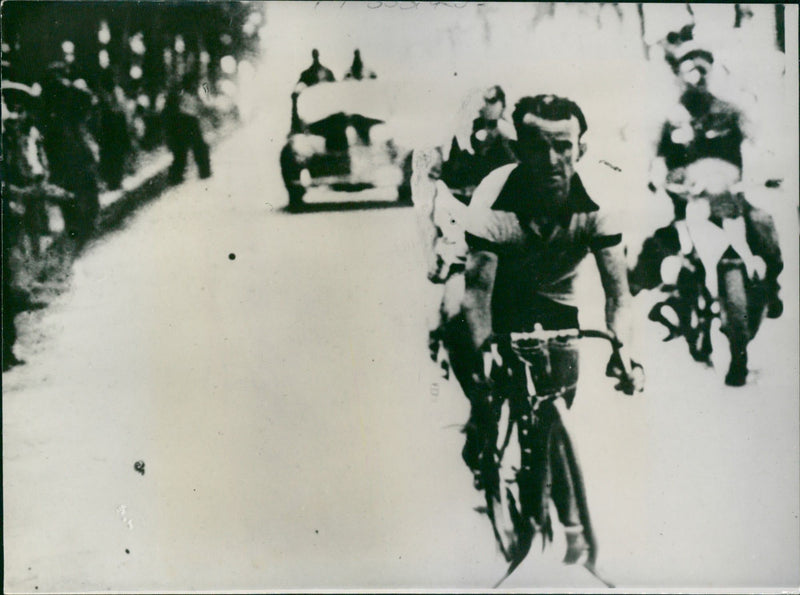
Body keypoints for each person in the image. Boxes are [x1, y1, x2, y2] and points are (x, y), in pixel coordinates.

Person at [458, 94, 644, 568]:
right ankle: (482, 428)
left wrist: (623, 350)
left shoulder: (599, 199)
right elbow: (477, 291)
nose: (551, 160)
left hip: (556, 299)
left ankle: (565, 521)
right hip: (500, 296)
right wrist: (484, 351)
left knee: (550, 410)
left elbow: (618, 295)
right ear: (518, 148)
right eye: (537, 147)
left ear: (581, 147)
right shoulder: (492, 199)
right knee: (483, 371)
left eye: (563, 146)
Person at [630, 34, 783, 385]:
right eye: (690, 68)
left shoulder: (729, 111)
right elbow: (650, 154)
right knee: (661, 242)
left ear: (711, 70)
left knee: (762, 223)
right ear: (679, 74)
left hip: (729, 199)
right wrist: (652, 177)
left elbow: (762, 143)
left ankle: (771, 285)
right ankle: (651, 292)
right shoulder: (670, 117)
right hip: (686, 203)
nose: (697, 75)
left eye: (703, 67)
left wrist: (767, 170)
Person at [441, 85, 518, 197]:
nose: (485, 106)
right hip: (472, 184)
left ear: (502, 105)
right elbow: (458, 159)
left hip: (501, 186)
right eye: (484, 101)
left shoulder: (507, 129)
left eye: (492, 101)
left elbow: (513, 161)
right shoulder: (473, 126)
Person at [162, 74, 212, 185]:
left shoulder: (195, 93)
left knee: (198, 148)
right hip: (181, 122)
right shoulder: (179, 94)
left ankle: (203, 171)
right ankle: (176, 176)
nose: (194, 85)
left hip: (189, 122)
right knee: (182, 151)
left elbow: (204, 104)